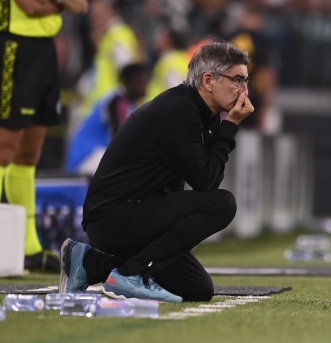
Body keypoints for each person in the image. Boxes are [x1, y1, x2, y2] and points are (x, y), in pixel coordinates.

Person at [58, 41, 254, 303]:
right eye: (238, 80)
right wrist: (230, 127)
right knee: (222, 204)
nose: (244, 90)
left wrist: (226, 126)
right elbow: (206, 183)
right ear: (209, 80)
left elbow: (208, 177)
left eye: (246, 81)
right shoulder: (180, 111)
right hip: (114, 216)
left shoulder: (200, 112)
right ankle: (128, 275)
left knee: (197, 289)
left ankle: (89, 263)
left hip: (136, 212)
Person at [0, 0, 88, 272]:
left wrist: (53, 5)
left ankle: (28, 248)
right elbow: (30, 6)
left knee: (28, 155)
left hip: (45, 49)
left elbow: (80, 6)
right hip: (14, 45)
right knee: (4, 148)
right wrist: (60, 5)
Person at [66, 63, 148, 176]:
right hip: (86, 156)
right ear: (129, 82)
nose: (145, 85)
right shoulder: (119, 101)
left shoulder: (128, 103)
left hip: (94, 154)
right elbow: (119, 138)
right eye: (141, 81)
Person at [77, 0, 139, 117]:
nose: (92, 17)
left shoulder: (118, 34)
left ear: (110, 10)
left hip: (110, 113)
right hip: (102, 112)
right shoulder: (107, 38)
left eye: (96, 13)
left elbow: (129, 73)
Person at [143, 27, 189, 103]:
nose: (156, 40)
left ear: (168, 40)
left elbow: (175, 91)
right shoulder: (182, 58)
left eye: (160, 37)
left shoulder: (169, 61)